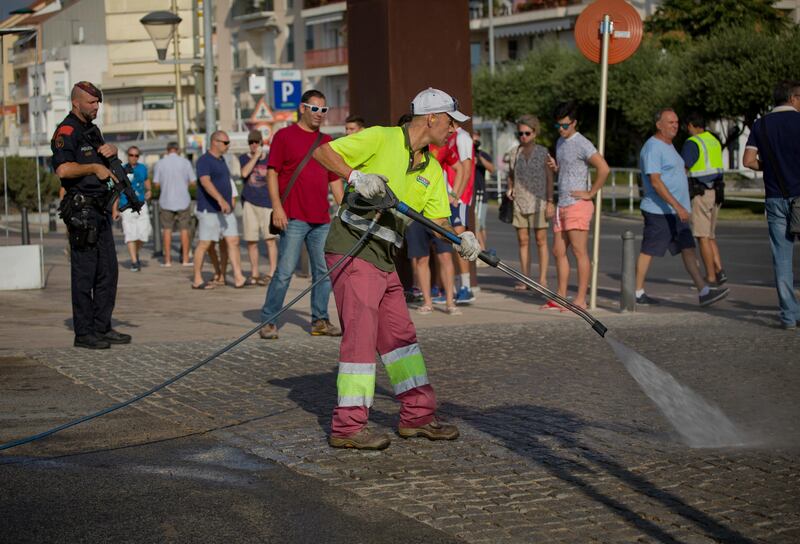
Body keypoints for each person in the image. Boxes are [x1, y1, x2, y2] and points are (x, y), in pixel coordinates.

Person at [313, 86, 481, 450]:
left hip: (385, 257)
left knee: (401, 339)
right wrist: (355, 177)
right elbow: (322, 152)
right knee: (360, 338)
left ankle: (417, 416)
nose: (454, 130)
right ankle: (348, 428)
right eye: (451, 122)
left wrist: (464, 235)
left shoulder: (433, 169)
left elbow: (440, 219)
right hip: (352, 250)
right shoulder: (380, 137)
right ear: (432, 117)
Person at [51, 81, 131, 349]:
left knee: (107, 271)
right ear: (76, 103)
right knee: (85, 274)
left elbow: (105, 164)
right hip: (81, 211)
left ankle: (102, 327)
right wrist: (93, 168)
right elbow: (62, 170)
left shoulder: (92, 129)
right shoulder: (67, 130)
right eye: (92, 103)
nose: (97, 107)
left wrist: (112, 153)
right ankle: (84, 333)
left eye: (98, 103)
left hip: (100, 208)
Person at [259, 90, 344, 339]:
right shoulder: (284, 136)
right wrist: (277, 207)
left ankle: (319, 320)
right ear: (303, 108)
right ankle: (268, 320)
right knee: (284, 272)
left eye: (323, 109)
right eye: (315, 108)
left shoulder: (327, 140)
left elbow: (334, 180)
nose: (320, 114)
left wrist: (345, 211)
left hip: (321, 218)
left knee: (323, 272)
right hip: (293, 216)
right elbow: (272, 172)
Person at [635, 108, 730, 307]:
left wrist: (680, 207)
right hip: (659, 210)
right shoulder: (653, 147)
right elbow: (655, 181)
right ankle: (636, 291)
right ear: (658, 124)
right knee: (649, 250)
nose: (675, 125)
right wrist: (677, 205)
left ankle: (703, 291)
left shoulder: (670, 146)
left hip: (678, 211)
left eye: (676, 122)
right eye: (670, 122)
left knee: (688, 248)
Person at [743, 80, 800, 330]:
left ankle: (788, 315)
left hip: (774, 198)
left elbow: (748, 160)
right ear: (793, 98)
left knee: (782, 258)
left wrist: (769, 168)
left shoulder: (760, 124)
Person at [545, 102, 610, 310]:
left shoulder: (582, 143)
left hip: (577, 205)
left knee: (579, 252)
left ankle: (581, 299)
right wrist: (556, 168)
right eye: (558, 126)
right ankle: (561, 296)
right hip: (562, 203)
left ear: (574, 123)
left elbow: (604, 168)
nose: (561, 130)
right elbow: (567, 170)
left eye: (565, 126)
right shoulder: (560, 142)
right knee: (558, 251)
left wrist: (590, 193)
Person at [191, 130, 247, 290]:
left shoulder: (222, 160)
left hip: (226, 210)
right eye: (226, 142)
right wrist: (220, 200)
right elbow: (205, 182)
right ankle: (197, 279)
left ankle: (238, 276)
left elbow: (226, 183)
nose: (228, 145)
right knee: (205, 244)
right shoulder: (204, 160)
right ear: (215, 142)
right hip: (209, 210)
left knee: (233, 240)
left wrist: (229, 200)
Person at [506, 115, 553, 289]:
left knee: (541, 240)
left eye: (527, 133)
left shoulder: (543, 152)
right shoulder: (513, 153)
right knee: (522, 241)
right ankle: (526, 278)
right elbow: (510, 176)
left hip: (539, 201)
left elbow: (549, 178)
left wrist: (550, 201)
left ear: (535, 133)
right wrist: (509, 188)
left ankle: (542, 279)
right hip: (519, 202)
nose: (523, 137)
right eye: (520, 134)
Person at [681, 112, 727, 286]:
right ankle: (719, 270)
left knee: (702, 237)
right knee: (710, 235)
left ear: (692, 125)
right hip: (716, 192)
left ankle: (710, 277)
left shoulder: (692, 143)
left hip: (701, 193)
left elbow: (684, 167)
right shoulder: (713, 140)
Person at [239, 129, 277, 285]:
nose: (254, 145)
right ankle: (254, 272)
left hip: (267, 203)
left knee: (270, 239)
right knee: (251, 240)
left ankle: (272, 271)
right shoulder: (243, 158)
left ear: (261, 142)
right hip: (250, 202)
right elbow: (244, 173)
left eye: (256, 142)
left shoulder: (269, 158)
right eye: (251, 142)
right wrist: (255, 157)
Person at [153, 141, 196, 267]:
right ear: (177, 150)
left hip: (166, 200)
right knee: (184, 230)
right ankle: (185, 260)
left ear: (167, 150)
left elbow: (156, 183)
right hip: (183, 200)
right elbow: (193, 182)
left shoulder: (160, 163)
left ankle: (167, 261)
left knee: (167, 230)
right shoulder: (185, 162)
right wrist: (184, 184)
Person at [118, 145, 152, 271]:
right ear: (128, 156)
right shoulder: (121, 169)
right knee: (130, 234)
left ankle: (135, 252)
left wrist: (149, 190)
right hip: (126, 205)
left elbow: (146, 181)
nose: (134, 157)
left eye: (136, 155)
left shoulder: (143, 168)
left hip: (141, 204)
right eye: (131, 155)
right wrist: (115, 208)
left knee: (145, 234)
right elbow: (116, 188)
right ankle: (134, 261)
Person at [472, 130, 494, 253]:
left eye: (477, 140)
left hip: (480, 193)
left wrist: (478, 157)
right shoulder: (466, 152)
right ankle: (481, 250)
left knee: (480, 224)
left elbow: (492, 169)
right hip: (470, 194)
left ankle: (483, 250)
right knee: (477, 224)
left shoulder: (482, 155)